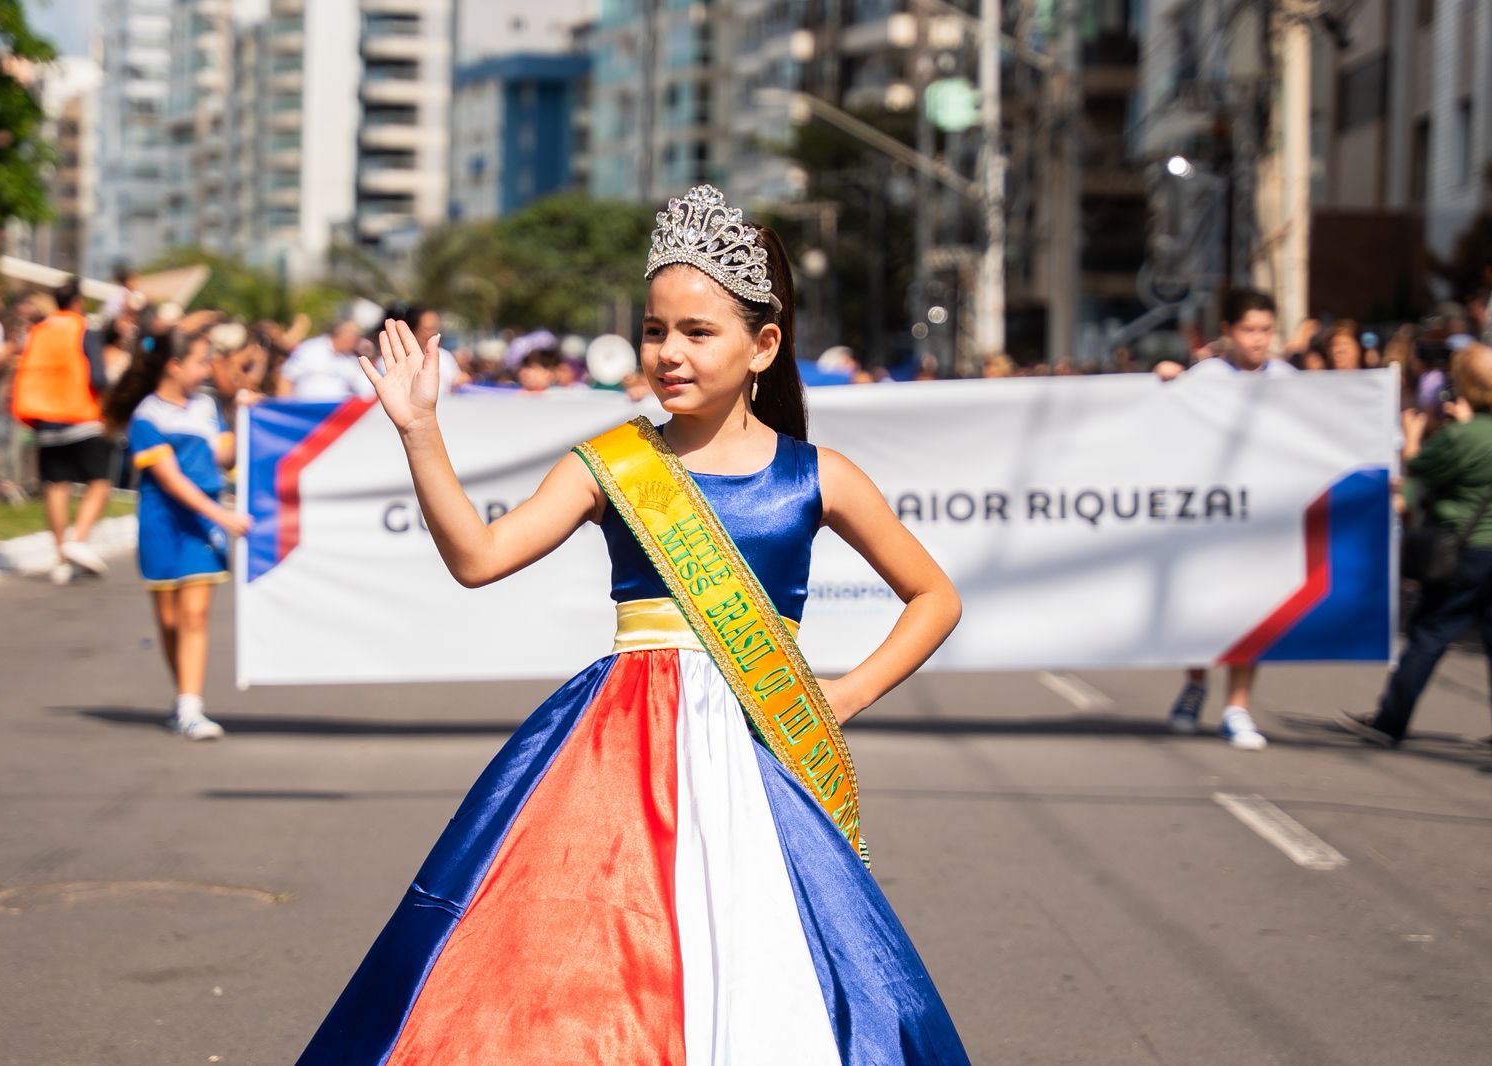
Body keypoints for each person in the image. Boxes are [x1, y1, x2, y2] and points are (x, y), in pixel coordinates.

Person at [297, 185, 971, 1063]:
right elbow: (478, 558)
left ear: (762, 345)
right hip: (617, 751)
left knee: (766, 959)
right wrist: (420, 429)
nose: (670, 353)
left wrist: (840, 698)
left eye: (698, 333)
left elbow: (935, 597)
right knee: (586, 967)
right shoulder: (612, 464)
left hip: (762, 744)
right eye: (657, 331)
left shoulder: (818, 475)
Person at [1340, 343, 1492, 747]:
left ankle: (1390, 721)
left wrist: (1412, 436)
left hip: (1465, 550)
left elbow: (1419, 466)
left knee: (1429, 633)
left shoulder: (1461, 438)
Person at [102, 332, 252, 741]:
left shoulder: (205, 408)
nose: (208, 370)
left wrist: (240, 417)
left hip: (202, 526)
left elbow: (224, 456)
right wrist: (223, 514)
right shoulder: (147, 417)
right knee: (169, 621)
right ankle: (183, 698)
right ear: (174, 366)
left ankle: (190, 705)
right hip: (164, 522)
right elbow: (169, 481)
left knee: (194, 615)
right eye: (202, 362)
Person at [1161, 288, 1293, 750]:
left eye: (1265, 330)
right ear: (1229, 332)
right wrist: (1167, 381)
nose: (1258, 340)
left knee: (1247, 612)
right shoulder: (1208, 377)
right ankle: (1196, 684)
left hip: (1260, 521)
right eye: (1248, 330)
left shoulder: (1288, 381)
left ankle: (1237, 707)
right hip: (1207, 518)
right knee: (1201, 610)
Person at [11, 280, 113, 584]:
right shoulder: (82, 328)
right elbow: (98, 376)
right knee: (99, 483)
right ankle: (76, 541)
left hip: (44, 420)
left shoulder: (39, 331)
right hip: (81, 416)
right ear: (79, 301)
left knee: (56, 486)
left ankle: (61, 558)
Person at [276, 319, 372, 400]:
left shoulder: (351, 361)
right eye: (354, 338)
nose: (355, 342)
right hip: (306, 413)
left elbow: (366, 390)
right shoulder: (310, 349)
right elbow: (286, 377)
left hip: (338, 415)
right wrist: (285, 409)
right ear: (344, 336)